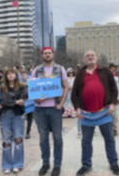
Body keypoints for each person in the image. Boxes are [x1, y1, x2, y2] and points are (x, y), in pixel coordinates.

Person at [72, 50, 119, 176]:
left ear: (96, 58)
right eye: (87, 56)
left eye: (92, 55)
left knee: (109, 139)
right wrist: (77, 108)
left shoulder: (105, 71)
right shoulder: (80, 73)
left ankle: (113, 163)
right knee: (86, 141)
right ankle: (86, 165)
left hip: (103, 112)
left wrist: (112, 104)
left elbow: (113, 89)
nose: (90, 57)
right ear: (84, 60)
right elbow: (75, 93)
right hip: (86, 114)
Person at [32, 47, 69, 176]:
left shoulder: (60, 69)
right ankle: (45, 163)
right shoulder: (36, 70)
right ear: (42, 55)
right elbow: (32, 89)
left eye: (49, 53)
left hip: (54, 108)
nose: (47, 55)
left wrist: (62, 103)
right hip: (40, 109)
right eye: (45, 53)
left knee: (57, 137)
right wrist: (37, 99)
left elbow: (66, 87)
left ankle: (57, 164)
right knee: (43, 138)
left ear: (53, 54)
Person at [0, 69, 26, 174]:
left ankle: (18, 164)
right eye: (8, 74)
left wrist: (8, 103)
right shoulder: (2, 87)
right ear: (6, 76)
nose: (10, 75)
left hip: (18, 115)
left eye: (12, 73)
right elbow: (1, 102)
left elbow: (23, 100)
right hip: (5, 115)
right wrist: (15, 102)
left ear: (16, 75)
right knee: (6, 140)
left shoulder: (22, 86)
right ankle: (7, 164)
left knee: (18, 139)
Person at [21, 70, 33, 139]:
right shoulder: (19, 84)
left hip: (30, 102)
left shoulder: (30, 83)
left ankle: (28, 132)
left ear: (27, 76)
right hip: (22, 102)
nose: (24, 76)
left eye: (25, 75)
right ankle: (21, 132)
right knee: (21, 117)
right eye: (22, 75)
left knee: (30, 118)